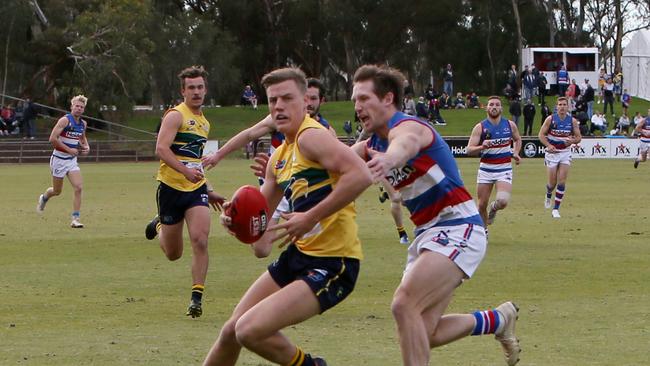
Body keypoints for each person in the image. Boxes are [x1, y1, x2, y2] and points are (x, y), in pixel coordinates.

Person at [350, 64, 520, 366]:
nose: (357, 106)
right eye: (355, 100)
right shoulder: (370, 144)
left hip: (459, 226)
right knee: (423, 332)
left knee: (404, 305)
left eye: (364, 98)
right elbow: (334, 164)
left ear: (388, 99)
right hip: (428, 234)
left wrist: (389, 160)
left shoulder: (408, 128)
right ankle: (497, 320)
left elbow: (405, 146)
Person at [203, 67, 372, 366]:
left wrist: (310, 217)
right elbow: (261, 235)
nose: (278, 106)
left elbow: (360, 175)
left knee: (249, 330)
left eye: (286, 98)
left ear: (304, 102)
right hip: (299, 256)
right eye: (272, 100)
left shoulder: (311, 137)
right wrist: (235, 220)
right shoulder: (279, 159)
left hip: (334, 262)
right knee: (232, 330)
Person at [143, 66, 225, 318]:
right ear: (183, 91)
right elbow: (161, 149)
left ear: (205, 89)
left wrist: (207, 188)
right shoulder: (175, 116)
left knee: (200, 239)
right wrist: (184, 172)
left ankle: (196, 298)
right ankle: (159, 226)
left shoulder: (204, 122)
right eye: (192, 88)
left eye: (200, 87)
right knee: (173, 253)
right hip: (170, 189)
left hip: (195, 190)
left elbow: (195, 162)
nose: (197, 92)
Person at [36, 95, 90, 228]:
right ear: (72, 106)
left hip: (71, 161)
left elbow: (82, 138)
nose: (79, 109)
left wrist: (86, 147)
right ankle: (44, 197)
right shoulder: (65, 120)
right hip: (59, 160)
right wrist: (69, 150)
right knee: (56, 191)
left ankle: (75, 219)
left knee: (78, 187)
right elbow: (53, 139)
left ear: (83, 110)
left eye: (81, 107)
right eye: (77, 106)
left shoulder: (83, 124)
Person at [466, 96, 522, 226]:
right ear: (487, 108)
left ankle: (494, 208)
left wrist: (516, 152)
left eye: (497, 105)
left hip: (504, 169)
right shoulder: (480, 127)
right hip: (486, 169)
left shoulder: (509, 125)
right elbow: (469, 150)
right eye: (491, 105)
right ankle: (483, 232)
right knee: (481, 205)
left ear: (501, 108)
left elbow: (517, 139)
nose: (494, 107)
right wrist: (481, 146)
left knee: (502, 201)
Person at [538, 97, 582, 218]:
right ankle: (548, 194)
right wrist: (548, 145)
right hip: (552, 154)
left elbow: (579, 137)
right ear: (556, 107)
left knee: (561, 181)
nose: (562, 107)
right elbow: (541, 135)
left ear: (568, 107)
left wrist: (572, 141)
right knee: (552, 184)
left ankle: (556, 209)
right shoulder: (550, 119)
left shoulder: (572, 121)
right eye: (560, 104)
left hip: (565, 153)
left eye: (564, 104)